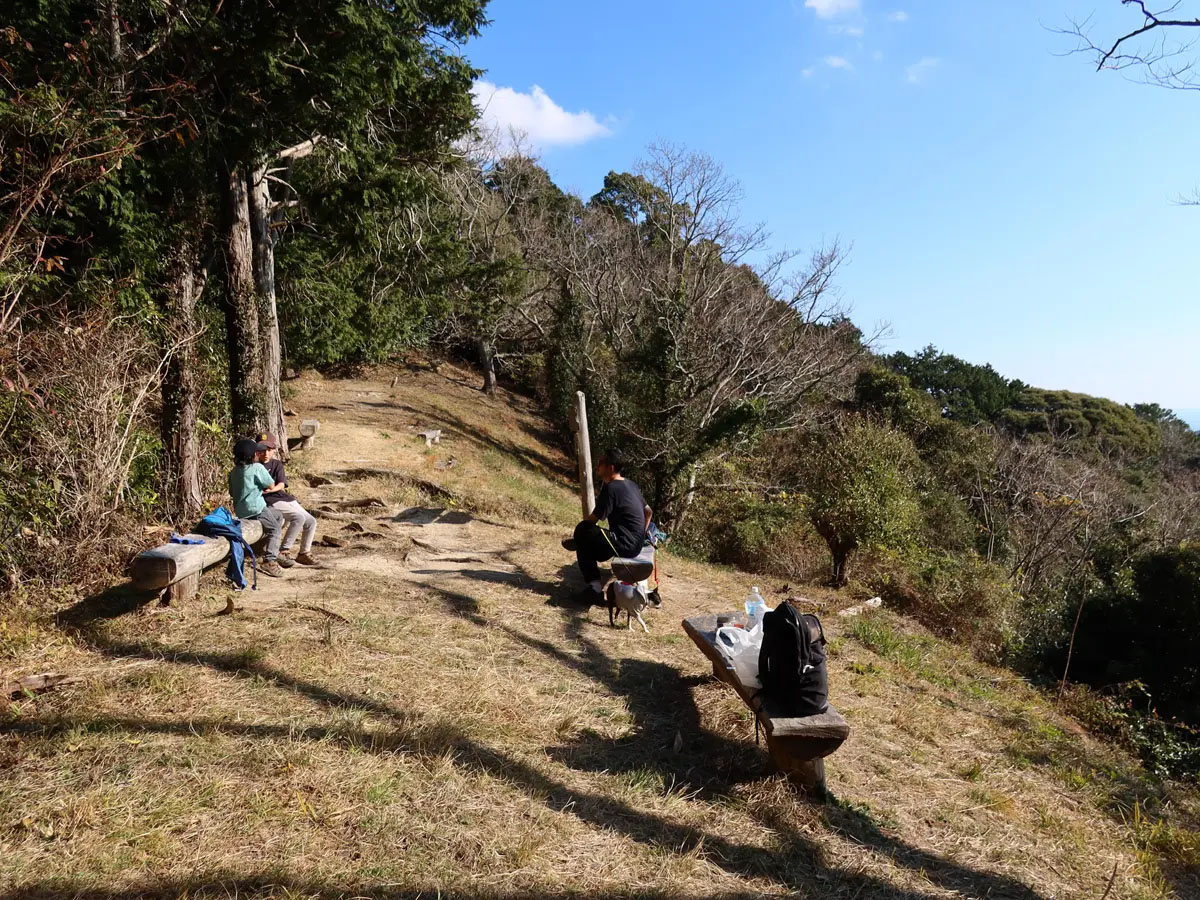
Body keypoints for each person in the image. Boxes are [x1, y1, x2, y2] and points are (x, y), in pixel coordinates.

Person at [562, 449, 652, 605]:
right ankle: (592, 583)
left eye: (601, 463)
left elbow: (593, 520)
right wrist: (641, 534)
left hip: (624, 545)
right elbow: (648, 512)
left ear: (610, 468)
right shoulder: (631, 484)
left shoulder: (610, 488)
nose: (598, 466)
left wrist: (580, 533)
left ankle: (595, 589)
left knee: (583, 529)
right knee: (587, 537)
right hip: (636, 544)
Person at [228, 438, 287, 577]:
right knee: (275, 528)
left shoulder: (233, 472)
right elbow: (271, 485)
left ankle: (269, 548)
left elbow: (232, 492)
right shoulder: (257, 468)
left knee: (278, 515)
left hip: (241, 510)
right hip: (257, 509)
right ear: (253, 455)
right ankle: (269, 561)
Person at [257, 432, 318, 566]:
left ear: (273, 450)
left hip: (284, 497)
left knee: (311, 521)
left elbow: (282, 483)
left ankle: (304, 553)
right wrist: (268, 490)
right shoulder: (255, 466)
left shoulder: (276, 464)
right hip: (270, 501)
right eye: (262, 450)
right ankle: (284, 551)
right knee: (298, 518)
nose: (265, 453)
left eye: (269, 450)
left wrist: (273, 488)